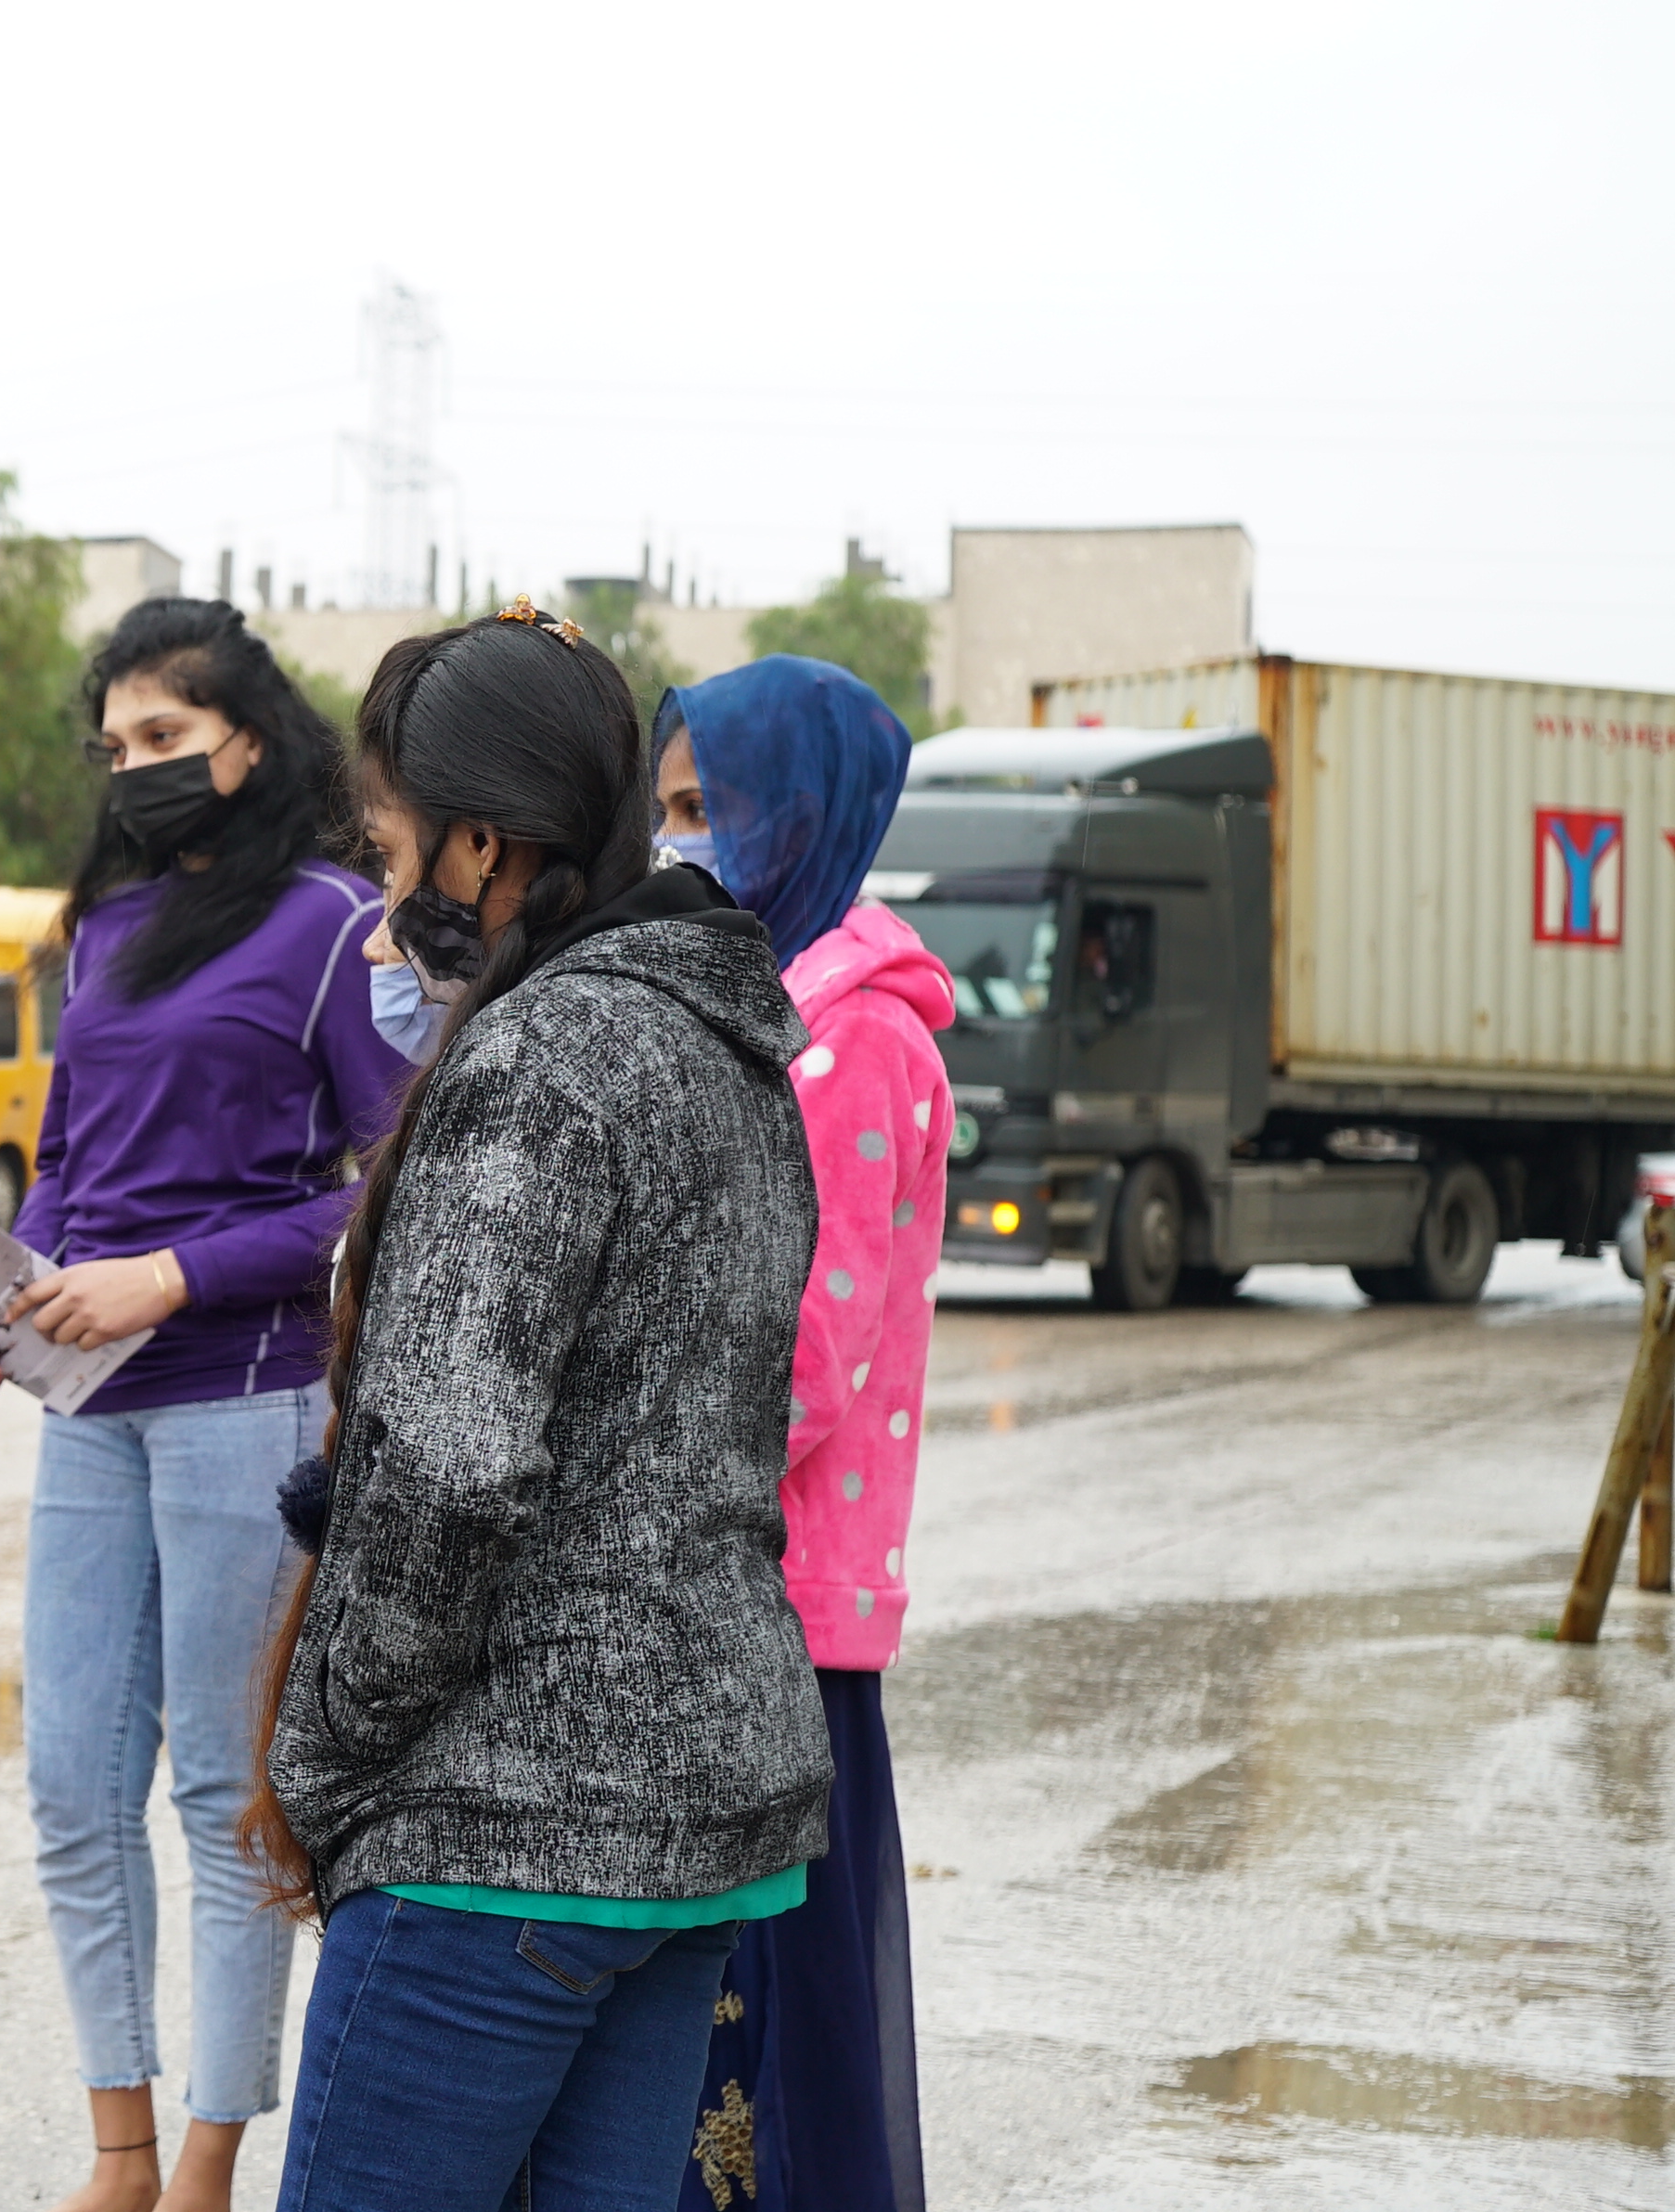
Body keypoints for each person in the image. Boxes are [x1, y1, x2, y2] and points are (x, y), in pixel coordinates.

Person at [254, 601, 831, 2212]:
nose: (384, 903)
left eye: (392, 853)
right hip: (693, 1828)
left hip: (502, 1835)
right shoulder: (730, 1049)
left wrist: (325, 1753)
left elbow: (448, 1473)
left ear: (485, 849)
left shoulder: (541, 1060)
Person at [0, 597, 410, 2212]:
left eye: (163, 740)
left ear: (248, 744)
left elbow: (381, 1186)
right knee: (71, 1787)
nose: (131, 769)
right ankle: (116, 2157)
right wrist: (3, 1305)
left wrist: (174, 1279)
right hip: (88, 1406)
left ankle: (211, 2159)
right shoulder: (112, 924)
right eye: (114, 744)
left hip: (242, 1405)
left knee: (220, 1794)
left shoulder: (338, 925)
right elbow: (71, 1169)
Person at [652, 656, 951, 2212]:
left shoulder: (854, 1036)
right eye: (670, 811)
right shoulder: (764, 995)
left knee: (764, 2054)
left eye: (714, 810)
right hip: (721, 1580)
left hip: (779, 1611)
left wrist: (624, 1494)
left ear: (808, 810)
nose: (684, 844)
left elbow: (801, 1353)